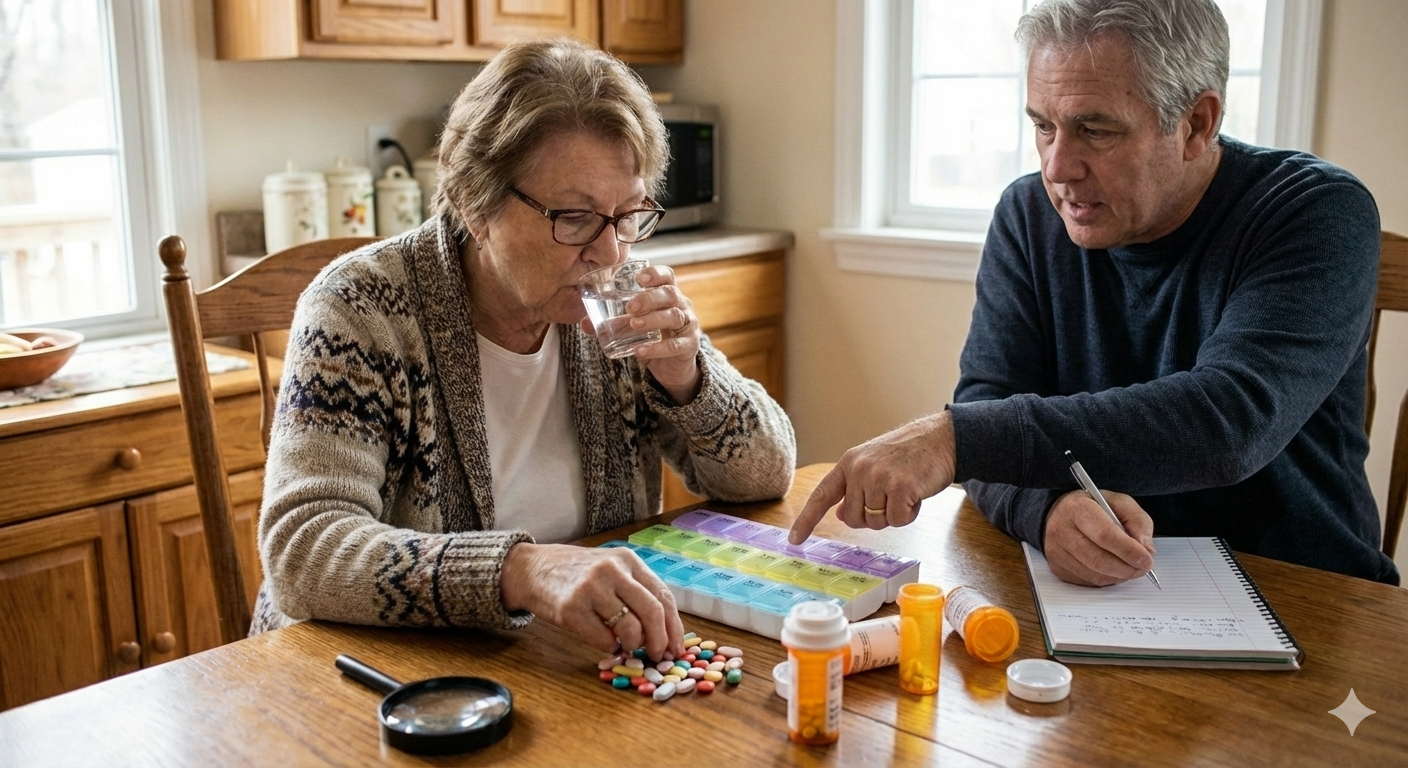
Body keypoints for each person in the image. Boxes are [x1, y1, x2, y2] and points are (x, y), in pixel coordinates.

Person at [789, 0, 1399, 586]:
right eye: (1043, 126)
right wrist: (1045, 511)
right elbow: (990, 399)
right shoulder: (1029, 214)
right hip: (1102, 601)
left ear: (1197, 123)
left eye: (1094, 130)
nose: (1057, 167)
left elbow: (1232, 420)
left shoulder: (1317, 211)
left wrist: (955, 438)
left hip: (1307, 594)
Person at [254, 38, 797, 659]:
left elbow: (767, 473)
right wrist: (519, 571)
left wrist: (688, 380)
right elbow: (303, 549)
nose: (610, 252)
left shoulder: (620, 302)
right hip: (367, 675)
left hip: (556, 657)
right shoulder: (363, 309)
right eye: (574, 216)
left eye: (628, 215)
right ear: (473, 204)